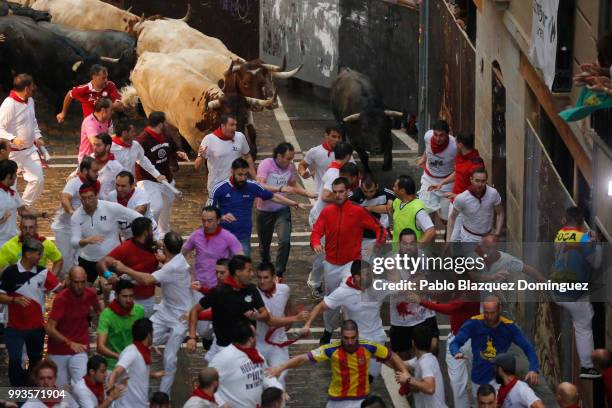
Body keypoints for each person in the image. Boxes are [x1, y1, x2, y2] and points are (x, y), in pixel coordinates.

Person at [113, 231, 195, 394]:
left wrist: (124, 269)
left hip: (181, 316)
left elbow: (147, 280)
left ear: (165, 248)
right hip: (165, 309)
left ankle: (164, 397)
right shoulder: (175, 259)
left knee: (169, 358)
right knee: (141, 342)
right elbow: (164, 261)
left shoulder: (173, 266)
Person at [310, 177, 386, 343]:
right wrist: (315, 243)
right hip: (330, 264)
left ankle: (352, 330)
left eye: (341, 192)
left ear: (348, 192)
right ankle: (329, 330)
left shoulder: (358, 211)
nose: (338, 195)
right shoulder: (327, 212)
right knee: (330, 299)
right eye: (335, 192)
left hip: (350, 264)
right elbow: (316, 232)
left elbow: (378, 227)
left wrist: (379, 242)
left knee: (348, 293)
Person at [266, 319, 408, 407]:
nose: (350, 341)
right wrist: (280, 367)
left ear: (357, 335)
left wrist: (405, 372)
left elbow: (392, 355)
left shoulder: (369, 347)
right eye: (346, 338)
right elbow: (303, 358)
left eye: (353, 338)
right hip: (336, 401)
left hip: (360, 400)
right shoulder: (331, 350)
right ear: (341, 336)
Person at [304, 261, 390, 377]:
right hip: (357, 341)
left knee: (372, 374)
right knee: (359, 376)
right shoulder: (343, 293)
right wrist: (307, 324)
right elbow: (320, 307)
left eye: (371, 274)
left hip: (377, 339)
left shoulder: (379, 286)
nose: (371, 277)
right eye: (367, 275)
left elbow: (402, 289)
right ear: (356, 277)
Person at [211, 158, 307, 257]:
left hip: (243, 237)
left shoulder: (252, 186)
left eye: (245, 174)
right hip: (222, 237)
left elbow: (273, 197)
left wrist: (295, 203)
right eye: (240, 175)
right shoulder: (219, 188)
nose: (243, 178)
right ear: (232, 171)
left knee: (242, 269)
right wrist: (221, 217)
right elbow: (208, 211)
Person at [450, 295, 540, 398]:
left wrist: (533, 368)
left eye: (493, 313)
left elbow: (528, 347)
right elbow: (455, 342)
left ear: (500, 309)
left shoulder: (509, 327)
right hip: (479, 376)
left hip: (499, 377)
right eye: (486, 313)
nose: (489, 317)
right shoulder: (473, 323)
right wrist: (456, 352)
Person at [187, 255, 271, 363]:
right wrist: (192, 337)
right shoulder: (219, 292)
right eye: (248, 270)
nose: (252, 274)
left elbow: (265, 314)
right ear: (238, 272)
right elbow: (195, 310)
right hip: (224, 348)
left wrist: (256, 315)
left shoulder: (252, 289)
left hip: (245, 349)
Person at [0, 239, 61, 386]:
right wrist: (14, 301)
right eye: (38, 254)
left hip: (36, 328)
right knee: (14, 359)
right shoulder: (10, 272)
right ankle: (17, 391)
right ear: (27, 254)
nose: (40, 257)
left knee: (36, 360)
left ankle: (33, 391)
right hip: (14, 328)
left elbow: (61, 290)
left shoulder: (43, 272)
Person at [551, 206, 601, 379]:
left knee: (581, 318)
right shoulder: (584, 238)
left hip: (557, 291)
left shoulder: (560, 234)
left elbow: (576, 240)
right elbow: (596, 263)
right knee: (583, 326)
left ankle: (587, 366)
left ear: (565, 220)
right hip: (573, 293)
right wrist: (598, 244)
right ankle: (587, 367)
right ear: (582, 223)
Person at [256, 142, 316, 279]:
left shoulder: (289, 167)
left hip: (282, 209)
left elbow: (293, 184)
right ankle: (266, 267)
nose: (291, 162)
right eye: (288, 158)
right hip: (264, 210)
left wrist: (307, 194)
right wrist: (280, 189)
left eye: (292, 158)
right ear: (279, 156)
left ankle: (279, 272)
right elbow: (260, 185)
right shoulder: (266, 164)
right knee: (264, 244)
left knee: (284, 240)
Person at [307, 142, 354, 298]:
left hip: (328, 219)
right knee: (323, 255)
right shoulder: (335, 172)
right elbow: (326, 195)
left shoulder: (335, 169)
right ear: (348, 156)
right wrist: (345, 199)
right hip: (321, 219)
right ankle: (315, 283)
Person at [70, 182, 142, 284]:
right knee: (84, 290)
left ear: (96, 196)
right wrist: (85, 240)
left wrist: (136, 239)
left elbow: (137, 217)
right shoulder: (76, 216)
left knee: (114, 288)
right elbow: (73, 242)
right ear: (80, 199)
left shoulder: (111, 208)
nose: (87, 201)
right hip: (88, 260)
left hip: (112, 259)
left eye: (90, 197)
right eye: (84, 198)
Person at [388, 229, 443, 361]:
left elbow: (434, 284)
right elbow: (398, 287)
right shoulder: (392, 261)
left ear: (416, 244)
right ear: (399, 244)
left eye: (412, 243)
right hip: (401, 317)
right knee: (403, 358)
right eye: (405, 244)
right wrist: (420, 284)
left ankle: (426, 376)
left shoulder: (424, 257)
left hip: (424, 313)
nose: (408, 247)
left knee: (432, 348)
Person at [46, 267, 101, 388]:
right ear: (69, 281)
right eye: (76, 282)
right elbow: (49, 328)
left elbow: (101, 313)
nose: (80, 286)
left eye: (83, 282)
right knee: (60, 391)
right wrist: (69, 343)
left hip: (80, 348)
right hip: (58, 350)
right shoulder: (61, 298)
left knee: (82, 386)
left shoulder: (91, 294)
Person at [255, 262, 309, 385]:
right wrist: (295, 318)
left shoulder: (284, 289)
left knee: (280, 377)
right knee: (262, 380)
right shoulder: (255, 295)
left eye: (266, 277)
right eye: (259, 277)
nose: (262, 281)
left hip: (278, 343)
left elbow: (287, 304)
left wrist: (290, 322)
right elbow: (270, 321)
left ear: (274, 278)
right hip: (258, 344)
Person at [135, 111, 189, 235]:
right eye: (165, 122)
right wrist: (155, 175)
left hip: (166, 178)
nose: (166, 124)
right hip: (148, 179)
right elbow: (139, 160)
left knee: (167, 206)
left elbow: (174, 147)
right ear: (160, 124)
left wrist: (179, 152)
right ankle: (148, 232)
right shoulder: (142, 139)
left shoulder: (165, 135)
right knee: (156, 207)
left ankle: (163, 232)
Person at [208, 321, 283, 408]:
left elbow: (266, 375)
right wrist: (221, 404)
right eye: (255, 336)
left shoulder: (256, 355)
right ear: (251, 339)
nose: (256, 338)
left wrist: (278, 388)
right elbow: (205, 385)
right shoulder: (224, 357)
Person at [98, 217, 159, 316]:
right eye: (151, 230)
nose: (152, 233)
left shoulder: (153, 247)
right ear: (146, 232)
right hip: (127, 301)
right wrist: (108, 275)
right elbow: (101, 263)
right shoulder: (125, 248)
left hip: (148, 301)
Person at [0, 73, 45, 205]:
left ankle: (24, 206)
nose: (34, 88)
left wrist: (37, 135)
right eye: (32, 86)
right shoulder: (9, 104)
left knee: (38, 180)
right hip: (12, 153)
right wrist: (13, 139)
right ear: (26, 88)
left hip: (30, 150)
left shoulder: (30, 101)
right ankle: (9, 209)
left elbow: (33, 120)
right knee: (9, 186)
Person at [51, 156, 100, 276]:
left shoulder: (96, 184)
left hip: (81, 230)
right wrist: (73, 213)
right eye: (94, 171)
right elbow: (65, 198)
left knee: (80, 261)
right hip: (65, 229)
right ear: (84, 171)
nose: (97, 174)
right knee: (65, 265)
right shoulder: (74, 182)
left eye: (97, 171)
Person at [432, 131, 485, 241]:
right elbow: (457, 173)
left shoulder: (476, 163)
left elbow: (478, 189)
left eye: (456, 143)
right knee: (450, 237)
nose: (455, 145)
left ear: (460, 144)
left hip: (465, 206)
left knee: (455, 239)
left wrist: (457, 196)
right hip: (455, 203)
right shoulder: (460, 157)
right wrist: (442, 183)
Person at [107, 318, 165, 408]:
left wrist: (153, 375)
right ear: (148, 335)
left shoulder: (142, 352)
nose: (154, 335)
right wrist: (111, 389)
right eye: (152, 332)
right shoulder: (131, 352)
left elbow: (136, 373)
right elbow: (116, 371)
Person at [183, 206, 243, 290]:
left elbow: (241, 259)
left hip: (219, 287)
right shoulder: (196, 235)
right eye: (203, 221)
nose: (206, 224)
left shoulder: (228, 237)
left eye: (210, 221)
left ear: (218, 220)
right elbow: (181, 253)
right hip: (199, 286)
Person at [195, 114, 255, 194]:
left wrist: (256, 177)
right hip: (217, 188)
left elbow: (247, 157)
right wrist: (201, 157)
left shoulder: (240, 137)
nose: (235, 128)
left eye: (235, 125)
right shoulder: (209, 139)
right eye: (231, 125)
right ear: (223, 126)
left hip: (237, 187)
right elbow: (197, 166)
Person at [96, 279, 145, 371]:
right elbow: (100, 347)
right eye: (124, 296)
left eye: (131, 296)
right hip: (112, 366)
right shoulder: (106, 315)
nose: (129, 300)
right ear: (116, 296)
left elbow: (143, 338)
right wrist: (121, 357)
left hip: (134, 365)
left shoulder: (140, 311)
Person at [395, 325, 448, 408]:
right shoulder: (421, 359)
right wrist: (381, 355)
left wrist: (408, 379)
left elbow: (430, 388)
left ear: (413, 343)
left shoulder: (425, 363)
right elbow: (399, 364)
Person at [447, 168, 503, 243]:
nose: (480, 184)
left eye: (483, 181)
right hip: (469, 238)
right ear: (471, 180)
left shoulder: (493, 193)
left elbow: (500, 213)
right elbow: (452, 217)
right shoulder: (462, 198)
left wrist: (497, 234)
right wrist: (448, 240)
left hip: (488, 237)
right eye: (477, 181)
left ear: (486, 180)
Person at [417, 119, 456, 224]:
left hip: (447, 183)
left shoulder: (454, 146)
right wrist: (423, 157)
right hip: (428, 180)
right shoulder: (427, 136)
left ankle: (447, 238)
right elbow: (427, 148)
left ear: (448, 134)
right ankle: (430, 237)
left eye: (441, 135)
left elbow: (458, 170)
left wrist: (443, 183)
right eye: (436, 134)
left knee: (445, 219)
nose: (438, 138)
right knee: (425, 215)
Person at [349, 174, 395, 263]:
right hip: (364, 238)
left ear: (377, 187)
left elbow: (396, 198)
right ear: (360, 187)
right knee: (366, 266)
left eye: (371, 191)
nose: (368, 194)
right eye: (365, 191)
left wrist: (390, 202)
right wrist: (371, 209)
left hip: (384, 236)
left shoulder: (385, 192)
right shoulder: (354, 195)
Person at [57, 64, 122, 123]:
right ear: (94, 77)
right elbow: (69, 94)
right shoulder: (83, 89)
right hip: (90, 125)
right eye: (103, 78)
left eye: (106, 77)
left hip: (107, 125)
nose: (106, 80)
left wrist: (105, 106)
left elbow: (119, 104)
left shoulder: (110, 85)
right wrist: (63, 113)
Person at [110, 116, 165, 180]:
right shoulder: (109, 148)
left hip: (130, 185)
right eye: (132, 132)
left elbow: (142, 160)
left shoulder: (135, 145)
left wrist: (157, 175)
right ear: (124, 133)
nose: (135, 134)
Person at [107, 171, 154, 239]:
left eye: (123, 186)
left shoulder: (141, 195)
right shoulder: (111, 196)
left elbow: (140, 211)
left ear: (132, 185)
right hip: (125, 236)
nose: (119, 189)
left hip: (146, 234)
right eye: (117, 185)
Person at [389, 174, 436, 243]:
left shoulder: (418, 209)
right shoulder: (397, 201)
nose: (393, 188)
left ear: (402, 191)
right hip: (397, 250)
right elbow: (388, 208)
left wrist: (416, 248)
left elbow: (431, 232)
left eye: (395, 187)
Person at [298, 125, 343, 191]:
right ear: (326, 135)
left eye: (339, 137)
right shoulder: (315, 151)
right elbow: (302, 165)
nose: (336, 140)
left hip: (338, 194)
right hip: (320, 193)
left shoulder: (344, 153)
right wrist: (303, 172)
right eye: (333, 136)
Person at [89, 132, 125, 198]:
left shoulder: (117, 168)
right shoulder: (90, 159)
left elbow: (123, 191)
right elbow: (77, 174)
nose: (95, 148)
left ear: (107, 147)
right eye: (94, 145)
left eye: (98, 145)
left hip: (106, 206)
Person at [77, 98, 113, 163]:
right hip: (87, 162)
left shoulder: (107, 121)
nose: (112, 112)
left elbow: (110, 137)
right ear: (103, 110)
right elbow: (95, 143)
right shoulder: (89, 122)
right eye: (111, 110)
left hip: (100, 159)